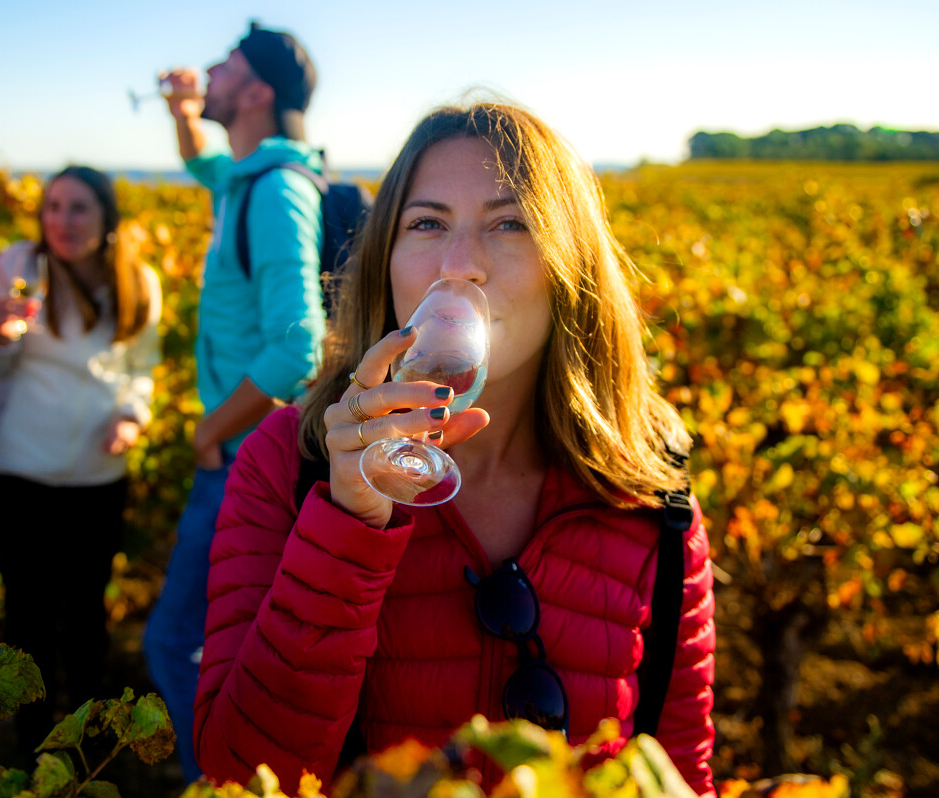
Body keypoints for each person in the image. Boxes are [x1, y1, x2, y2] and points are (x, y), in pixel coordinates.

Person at [193, 102, 717, 796]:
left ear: (571, 266)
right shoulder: (288, 464)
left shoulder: (654, 497)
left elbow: (677, 777)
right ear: (385, 262)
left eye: (509, 223)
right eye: (427, 224)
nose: (460, 265)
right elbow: (239, 776)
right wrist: (348, 525)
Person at [143, 22, 327, 782]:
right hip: (239, 447)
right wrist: (183, 110)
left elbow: (298, 347)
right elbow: (202, 161)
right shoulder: (247, 179)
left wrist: (206, 432)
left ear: (255, 92)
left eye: (223, 67)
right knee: (223, 644)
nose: (208, 71)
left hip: (240, 452)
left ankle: (218, 780)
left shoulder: (276, 193)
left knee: (175, 641)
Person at [0, 166, 162, 752]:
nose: (62, 220)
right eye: (53, 206)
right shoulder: (19, 266)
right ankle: (34, 750)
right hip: (13, 474)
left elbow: (140, 372)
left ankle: (86, 750)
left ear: (105, 218)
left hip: (97, 478)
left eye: (78, 208)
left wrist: (132, 417)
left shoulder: (137, 280)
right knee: (27, 617)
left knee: (85, 615)